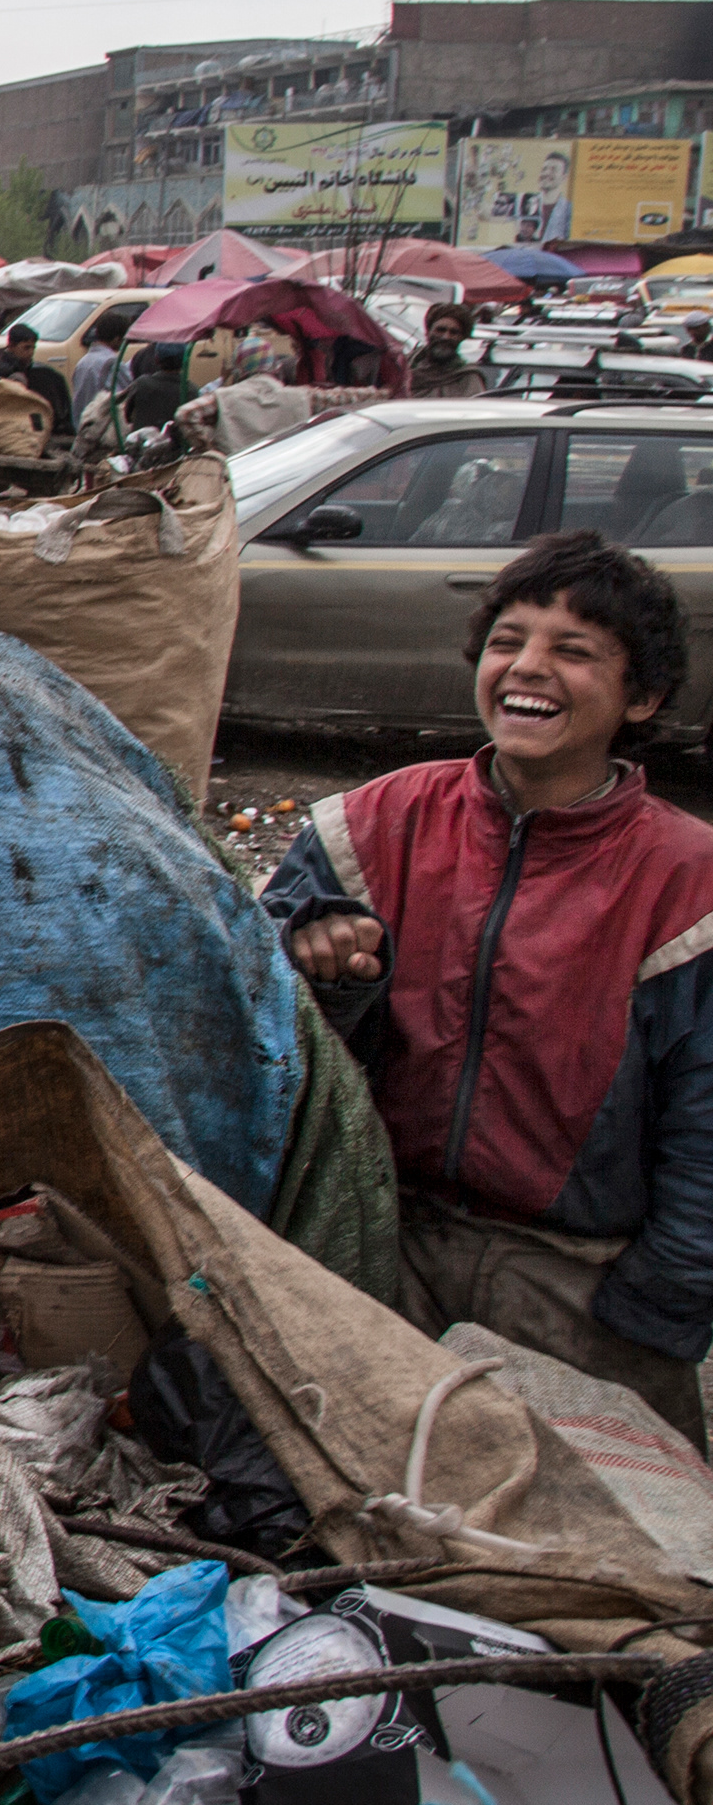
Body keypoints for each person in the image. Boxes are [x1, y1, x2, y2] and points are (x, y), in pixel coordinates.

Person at [262, 532, 713, 1447]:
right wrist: (319, 969)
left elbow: (708, 1120)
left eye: (575, 652)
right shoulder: (367, 825)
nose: (528, 668)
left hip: (579, 1281)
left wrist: (658, 1305)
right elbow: (260, 1042)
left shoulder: (688, 883)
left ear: (644, 698)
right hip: (382, 1245)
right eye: (509, 640)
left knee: (606, 1559)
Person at [0, 329, 74, 444]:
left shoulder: (41, 373)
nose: (31, 352)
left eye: (33, 348)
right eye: (26, 348)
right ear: (11, 346)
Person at [68, 306, 134, 429]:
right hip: (102, 428)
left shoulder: (84, 361)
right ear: (117, 339)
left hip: (83, 425)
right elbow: (125, 393)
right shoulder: (111, 362)